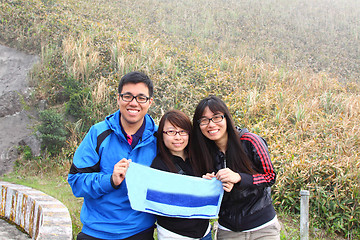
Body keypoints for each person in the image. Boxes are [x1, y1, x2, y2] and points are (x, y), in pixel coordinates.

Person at [68, 71, 158, 240]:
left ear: (149, 102)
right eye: (127, 96)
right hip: (96, 231)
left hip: (139, 231)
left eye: (141, 98)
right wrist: (110, 180)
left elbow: (178, 174)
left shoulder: (159, 138)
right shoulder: (98, 133)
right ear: (118, 98)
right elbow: (76, 182)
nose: (133, 103)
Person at [191, 95, 281, 240]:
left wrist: (239, 178)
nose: (211, 124)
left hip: (263, 228)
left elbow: (270, 176)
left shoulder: (251, 141)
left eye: (216, 117)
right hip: (228, 230)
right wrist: (208, 183)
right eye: (204, 120)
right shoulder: (203, 153)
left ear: (226, 118)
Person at [150, 110, 212, 240]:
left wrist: (209, 182)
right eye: (171, 132)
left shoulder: (198, 158)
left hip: (204, 232)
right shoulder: (158, 166)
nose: (178, 137)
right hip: (174, 234)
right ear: (162, 135)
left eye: (183, 131)